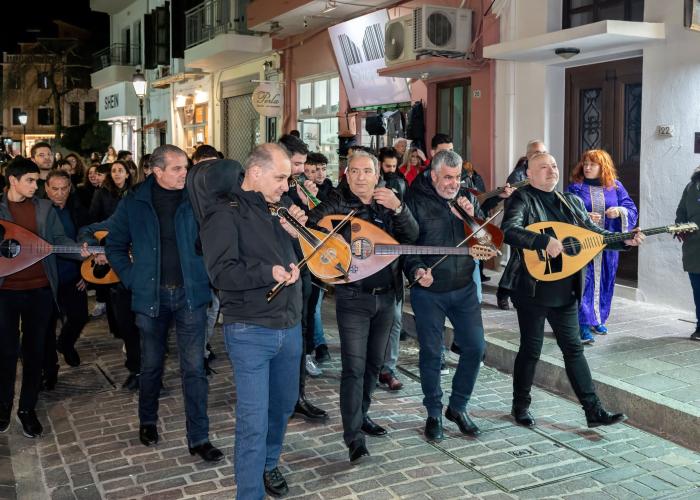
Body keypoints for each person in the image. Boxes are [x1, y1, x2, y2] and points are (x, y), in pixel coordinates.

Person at [498, 152, 643, 429]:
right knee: (531, 349)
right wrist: (542, 241)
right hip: (532, 288)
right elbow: (509, 231)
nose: (551, 170)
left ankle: (593, 410)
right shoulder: (522, 198)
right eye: (543, 167)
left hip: (565, 289)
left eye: (553, 165)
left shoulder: (571, 201)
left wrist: (625, 241)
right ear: (529, 174)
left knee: (574, 350)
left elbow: (594, 237)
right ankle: (520, 405)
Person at [105, 144, 223, 462]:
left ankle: (199, 438)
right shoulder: (134, 202)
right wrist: (133, 279)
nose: (185, 173)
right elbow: (114, 245)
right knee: (151, 365)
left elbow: (215, 238)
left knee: (194, 368)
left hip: (190, 296)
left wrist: (206, 273)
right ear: (157, 171)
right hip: (151, 298)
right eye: (177, 168)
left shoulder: (196, 197)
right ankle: (147, 421)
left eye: (186, 167)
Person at [200, 143, 305, 498]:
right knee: (253, 421)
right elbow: (221, 273)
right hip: (250, 330)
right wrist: (267, 272)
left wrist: (300, 237)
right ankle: (249, 492)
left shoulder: (280, 209)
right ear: (255, 173)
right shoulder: (223, 211)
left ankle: (269, 463)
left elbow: (302, 259)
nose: (286, 186)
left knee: (284, 405)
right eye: (280, 178)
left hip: (289, 325)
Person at [307, 151, 419, 463]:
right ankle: (354, 437)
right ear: (346, 174)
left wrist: (399, 208)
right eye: (354, 171)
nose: (360, 177)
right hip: (353, 298)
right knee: (354, 368)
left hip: (387, 296)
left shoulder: (388, 201)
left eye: (366, 171)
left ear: (377, 175)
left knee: (373, 365)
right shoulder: (337, 200)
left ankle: (362, 414)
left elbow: (411, 236)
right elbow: (312, 228)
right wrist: (339, 249)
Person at [404, 150, 497, 442]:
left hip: (464, 287)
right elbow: (405, 245)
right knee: (432, 353)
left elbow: (488, 241)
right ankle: (433, 412)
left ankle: (457, 407)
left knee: (475, 348)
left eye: (457, 178)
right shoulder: (414, 199)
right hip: (429, 291)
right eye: (447, 177)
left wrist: (470, 217)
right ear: (433, 175)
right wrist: (417, 270)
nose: (453, 183)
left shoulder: (466, 198)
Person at [0, 158, 86, 437]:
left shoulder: (44, 208)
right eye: (30, 181)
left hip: (40, 290)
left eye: (36, 181)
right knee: (6, 352)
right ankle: (3, 407)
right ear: (12, 181)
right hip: (5, 292)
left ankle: (27, 408)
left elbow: (59, 240)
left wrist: (81, 252)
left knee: (34, 351)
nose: (35, 187)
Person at [277, 134, 327, 421]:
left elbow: (313, 222)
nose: (301, 170)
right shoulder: (271, 187)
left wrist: (309, 200)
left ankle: (298, 395)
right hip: (279, 269)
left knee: (302, 329)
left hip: (303, 264)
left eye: (302, 164)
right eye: (296, 164)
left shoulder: (297, 186)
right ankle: (283, 396)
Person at [568, 150, 638, 343]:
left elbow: (631, 209)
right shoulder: (576, 188)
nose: (587, 167)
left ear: (603, 167)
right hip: (585, 245)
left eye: (592, 164)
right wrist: (585, 217)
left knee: (605, 281)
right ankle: (583, 324)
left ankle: (598, 318)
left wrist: (619, 211)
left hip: (608, 246)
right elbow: (565, 213)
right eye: (585, 163)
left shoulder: (615, 186)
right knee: (586, 282)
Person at [43, 170, 90, 386]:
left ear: (70, 188)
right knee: (46, 326)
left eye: (64, 189)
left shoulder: (78, 211)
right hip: (47, 278)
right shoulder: (40, 211)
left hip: (73, 275)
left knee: (79, 316)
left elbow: (86, 243)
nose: (59, 193)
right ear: (46, 189)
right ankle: (49, 369)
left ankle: (65, 343)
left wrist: (85, 273)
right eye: (55, 189)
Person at [498, 140, 549, 310]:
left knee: (523, 260)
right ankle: (504, 292)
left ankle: (515, 292)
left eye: (543, 152)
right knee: (518, 259)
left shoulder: (545, 171)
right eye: (537, 153)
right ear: (528, 156)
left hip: (537, 223)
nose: (541, 155)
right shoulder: (517, 176)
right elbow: (512, 205)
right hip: (520, 226)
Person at [377, 147, 408, 391]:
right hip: (367, 263)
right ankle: (369, 366)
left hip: (393, 262)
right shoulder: (366, 186)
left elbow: (410, 227)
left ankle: (388, 368)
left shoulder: (400, 184)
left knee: (396, 319)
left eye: (393, 166)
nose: (390, 170)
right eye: (386, 166)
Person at [675, 165, 700, 341]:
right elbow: (681, 212)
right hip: (694, 250)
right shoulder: (692, 186)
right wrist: (680, 226)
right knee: (698, 290)